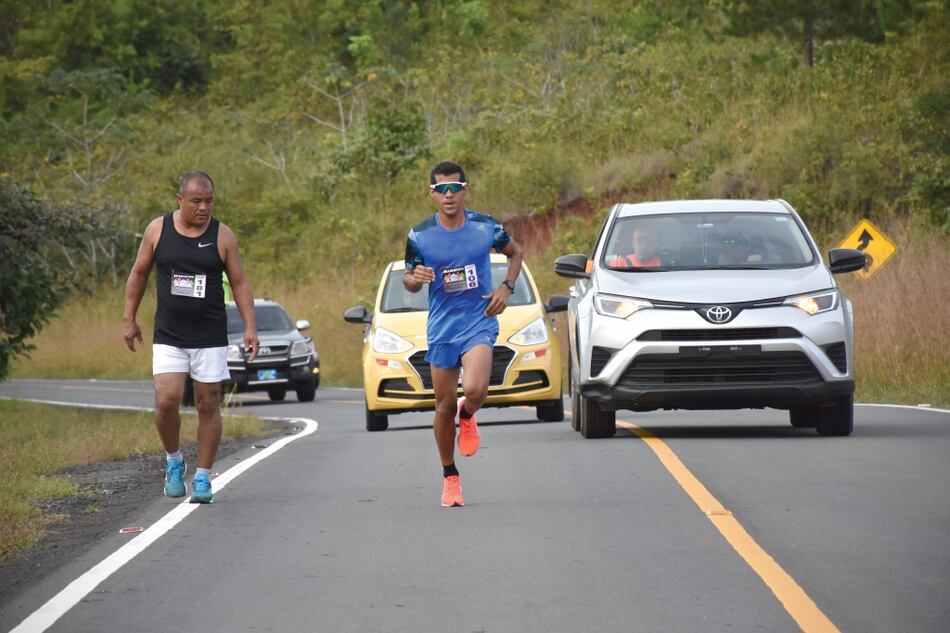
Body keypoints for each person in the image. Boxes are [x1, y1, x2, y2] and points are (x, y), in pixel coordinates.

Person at [123, 171, 259, 504]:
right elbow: (139, 273)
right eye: (196, 201)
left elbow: (240, 282)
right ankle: (173, 461)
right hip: (169, 333)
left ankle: (202, 477)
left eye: (209, 201)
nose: (203, 207)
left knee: (208, 403)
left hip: (209, 334)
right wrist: (129, 319)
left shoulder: (222, 235)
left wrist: (250, 327)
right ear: (180, 199)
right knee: (167, 399)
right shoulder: (158, 230)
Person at [403, 161, 523, 508]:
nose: (449, 195)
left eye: (455, 187)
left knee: (474, 389)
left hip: (478, 320)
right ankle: (450, 476)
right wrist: (416, 278)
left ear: (465, 189)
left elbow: (516, 253)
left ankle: (468, 413)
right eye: (442, 189)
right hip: (442, 328)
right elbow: (408, 279)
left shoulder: (486, 227)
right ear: (432, 194)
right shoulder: (419, 235)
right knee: (442, 407)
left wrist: (506, 286)